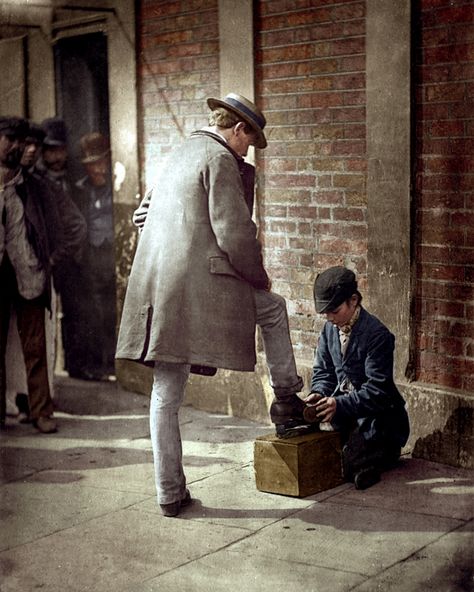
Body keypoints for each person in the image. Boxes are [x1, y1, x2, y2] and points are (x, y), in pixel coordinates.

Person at [116, 93, 313, 517]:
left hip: (159, 289)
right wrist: (259, 276)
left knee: (165, 393)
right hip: (199, 289)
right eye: (249, 142)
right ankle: (285, 399)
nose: (247, 151)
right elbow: (234, 235)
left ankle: (170, 494)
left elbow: (142, 213)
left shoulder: (179, 152)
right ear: (237, 129)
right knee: (274, 306)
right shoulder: (220, 158)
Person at [303, 266, 410, 490]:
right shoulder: (329, 330)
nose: (330, 318)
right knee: (319, 455)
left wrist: (338, 404)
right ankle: (359, 457)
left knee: (347, 463)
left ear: (353, 300)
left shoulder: (377, 335)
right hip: (347, 415)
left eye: (335, 310)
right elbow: (324, 372)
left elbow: (377, 391)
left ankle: (383, 456)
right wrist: (318, 393)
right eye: (325, 312)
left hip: (379, 419)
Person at [0, 116, 69, 433]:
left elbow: (55, 228)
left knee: (35, 345)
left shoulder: (35, 188)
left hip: (28, 273)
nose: (15, 147)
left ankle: (42, 411)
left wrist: (49, 259)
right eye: (9, 140)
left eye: (20, 141)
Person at [34, 117, 88, 380]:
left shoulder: (76, 176)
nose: (56, 157)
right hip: (48, 257)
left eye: (60, 150)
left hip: (72, 258)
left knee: (77, 310)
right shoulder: (37, 180)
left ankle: (76, 365)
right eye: (50, 150)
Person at [72, 132, 116, 379]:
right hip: (91, 258)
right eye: (91, 164)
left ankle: (112, 363)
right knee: (93, 313)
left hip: (112, 254)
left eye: (100, 162)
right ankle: (97, 365)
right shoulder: (79, 191)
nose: (97, 169)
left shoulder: (116, 184)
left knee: (112, 311)